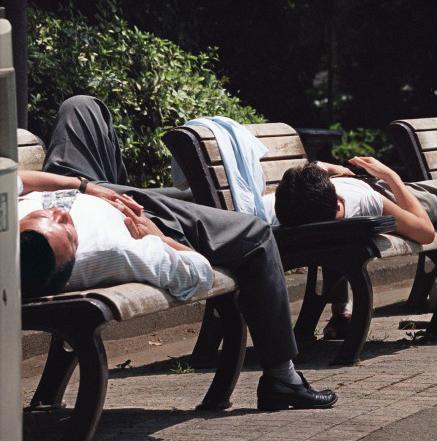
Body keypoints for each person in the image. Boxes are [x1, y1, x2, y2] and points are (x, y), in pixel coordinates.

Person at [19, 95, 336, 411]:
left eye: (44, 220)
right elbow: (198, 273)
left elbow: (18, 179)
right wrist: (157, 236)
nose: (59, 217)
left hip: (77, 187)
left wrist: (86, 187)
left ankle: (118, 187)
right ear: (73, 251)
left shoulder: (14, 224)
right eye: (65, 230)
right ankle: (283, 378)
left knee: (82, 106)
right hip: (134, 215)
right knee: (256, 236)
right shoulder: (119, 247)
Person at [273, 156, 437, 340]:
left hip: (361, 194)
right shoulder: (366, 201)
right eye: (338, 203)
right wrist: (390, 176)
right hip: (402, 199)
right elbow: (425, 232)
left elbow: (314, 167)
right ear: (337, 207)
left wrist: (333, 170)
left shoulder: (283, 205)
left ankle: (343, 314)